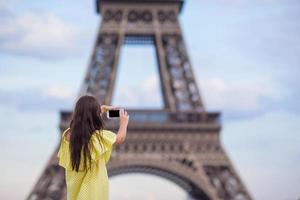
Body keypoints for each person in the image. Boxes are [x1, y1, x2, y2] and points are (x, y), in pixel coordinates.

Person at [57, 94, 129, 200]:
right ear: (95, 116)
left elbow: (84, 117)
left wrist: (101, 109)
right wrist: (123, 123)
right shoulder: (98, 137)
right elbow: (119, 138)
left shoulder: (67, 136)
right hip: (94, 193)